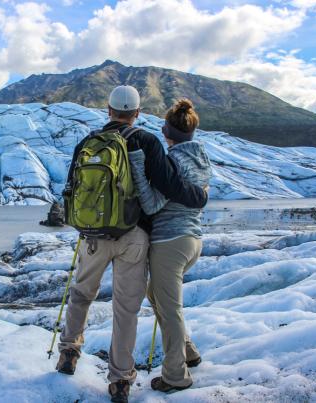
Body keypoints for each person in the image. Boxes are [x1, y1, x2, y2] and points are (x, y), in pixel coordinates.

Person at [56, 86, 209, 403]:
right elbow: (169, 185)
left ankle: (69, 350)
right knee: (125, 310)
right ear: (137, 113)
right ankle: (120, 381)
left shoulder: (88, 143)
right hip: (134, 237)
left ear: (108, 110)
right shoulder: (147, 140)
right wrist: (199, 197)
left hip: (93, 236)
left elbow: (71, 188)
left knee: (82, 293)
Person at [130, 99, 212, 393]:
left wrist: (139, 167)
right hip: (193, 241)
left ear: (166, 130)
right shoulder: (202, 157)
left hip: (169, 244)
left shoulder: (173, 162)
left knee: (171, 309)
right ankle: (188, 350)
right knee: (157, 296)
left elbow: (152, 205)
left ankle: (176, 376)